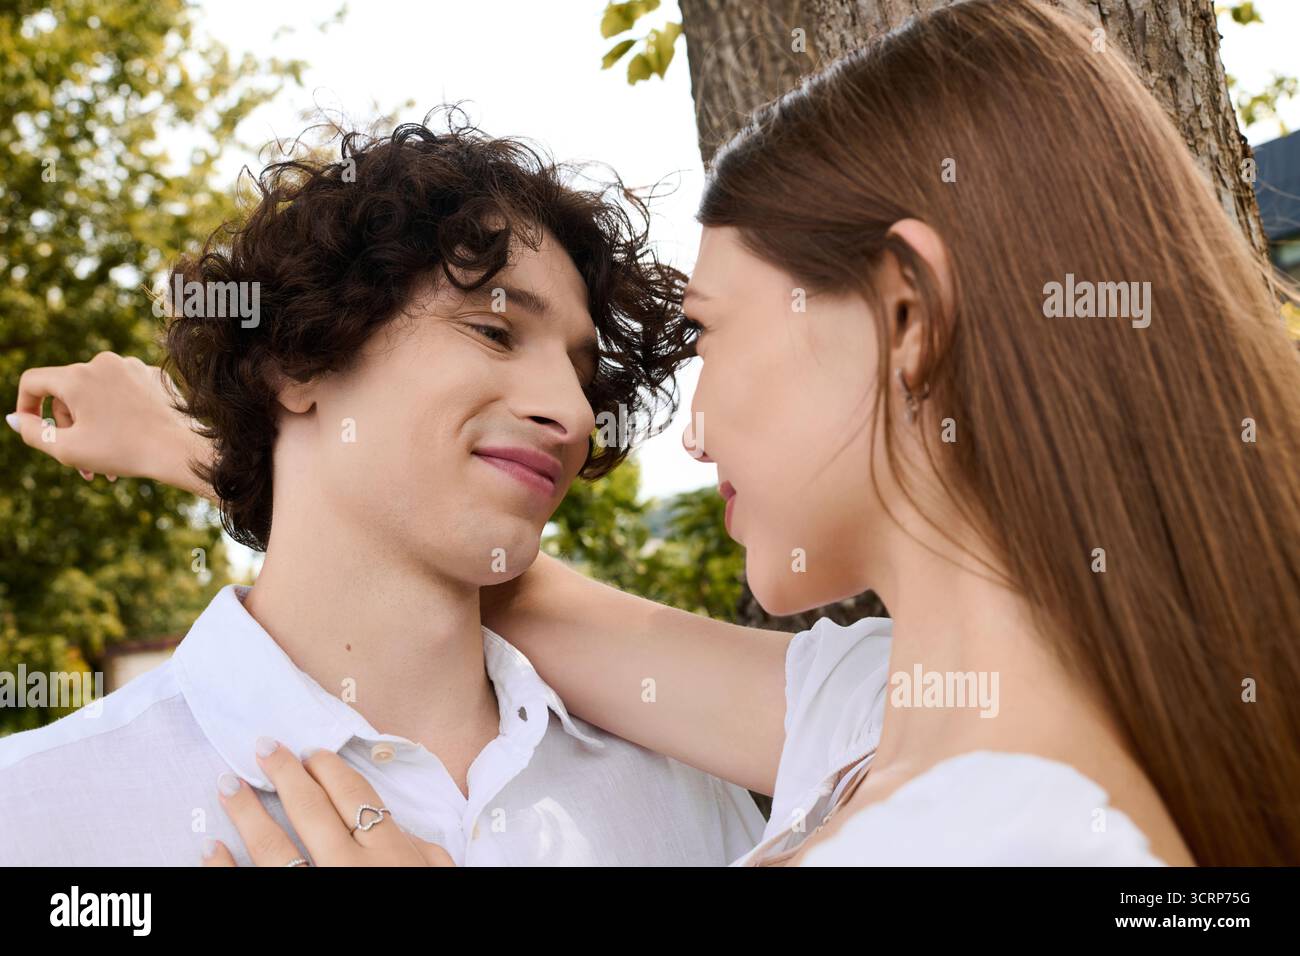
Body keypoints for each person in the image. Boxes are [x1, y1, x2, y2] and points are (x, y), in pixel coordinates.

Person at [10, 0, 1300, 866]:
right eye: (496, 330)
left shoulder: (1008, 815)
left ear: (906, 318)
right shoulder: (881, 714)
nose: (591, 418)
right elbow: (512, 580)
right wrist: (235, 431)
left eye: (713, 333)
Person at [0, 117, 765, 866]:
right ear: (298, 361)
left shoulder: (685, 787)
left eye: (580, 375)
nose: (571, 413)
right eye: (495, 332)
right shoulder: (32, 814)